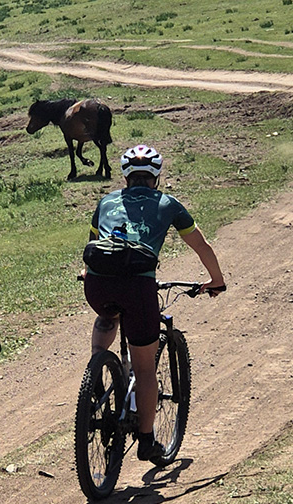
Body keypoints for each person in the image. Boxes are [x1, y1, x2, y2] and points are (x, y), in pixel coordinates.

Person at [82, 144, 225, 462]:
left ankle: (95, 373)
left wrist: (86, 272)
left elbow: (94, 243)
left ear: (125, 176)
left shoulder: (105, 201)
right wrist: (216, 280)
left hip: (97, 283)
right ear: (156, 177)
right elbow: (201, 246)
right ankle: (147, 441)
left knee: (108, 316)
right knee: (145, 369)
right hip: (138, 286)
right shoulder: (169, 204)